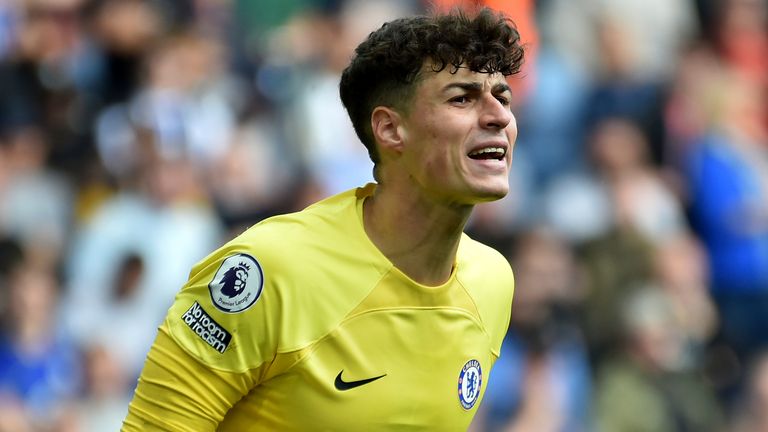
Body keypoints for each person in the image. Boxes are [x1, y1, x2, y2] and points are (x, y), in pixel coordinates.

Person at [122, 7, 524, 431]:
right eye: (462, 97)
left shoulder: (493, 282)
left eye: (503, 97)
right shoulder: (270, 270)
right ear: (390, 130)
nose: (498, 116)